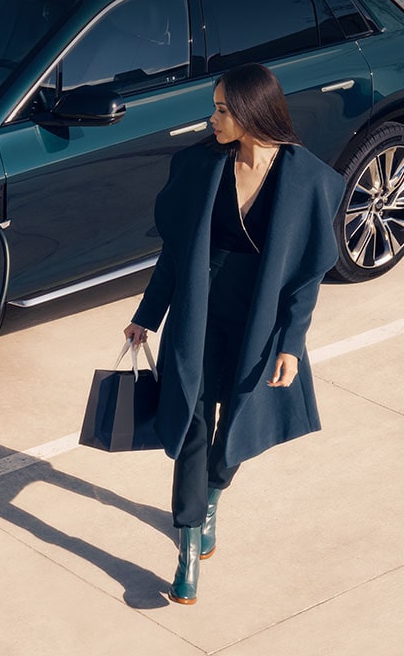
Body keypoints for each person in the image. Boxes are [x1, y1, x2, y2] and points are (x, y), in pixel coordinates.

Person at [123, 63, 343, 605]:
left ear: (251, 111)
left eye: (222, 109)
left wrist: (291, 343)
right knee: (192, 422)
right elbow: (175, 255)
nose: (213, 119)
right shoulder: (201, 166)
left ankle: (214, 493)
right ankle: (187, 545)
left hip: (258, 320)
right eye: (215, 108)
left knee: (239, 421)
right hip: (197, 312)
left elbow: (304, 276)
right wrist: (147, 315)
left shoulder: (305, 178)